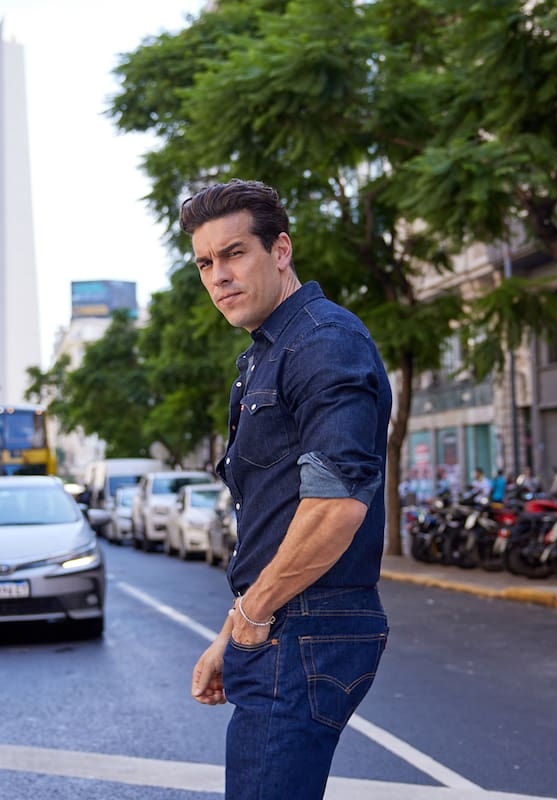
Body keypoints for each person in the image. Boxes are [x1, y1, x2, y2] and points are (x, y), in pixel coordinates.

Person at [182, 179, 392, 799]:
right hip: (282, 622)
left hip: (303, 625)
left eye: (235, 253)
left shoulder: (323, 342)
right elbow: (273, 519)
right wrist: (230, 632)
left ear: (280, 250)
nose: (218, 275)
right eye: (205, 262)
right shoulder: (264, 355)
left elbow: (334, 507)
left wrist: (251, 614)